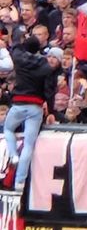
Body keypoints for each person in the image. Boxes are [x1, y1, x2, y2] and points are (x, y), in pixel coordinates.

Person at [2, 37, 55, 192]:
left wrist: (22, 38)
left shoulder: (19, 58)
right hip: (35, 106)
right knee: (29, 144)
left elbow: (15, 48)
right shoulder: (45, 65)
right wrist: (48, 107)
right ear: (38, 49)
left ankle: (13, 155)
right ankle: (20, 182)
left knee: (8, 129)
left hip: (18, 104)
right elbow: (49, 90)